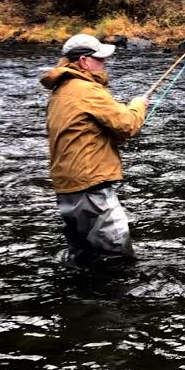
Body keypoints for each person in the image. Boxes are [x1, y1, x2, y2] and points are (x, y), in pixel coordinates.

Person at [40, 33, 148, 268]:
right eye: (99, 59)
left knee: (85, 258)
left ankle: (85, 301)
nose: (104, 63)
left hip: (67, 186)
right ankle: (114, 302)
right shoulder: (86, 90)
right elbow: (128, 125)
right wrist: (138, 105)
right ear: (84, 62)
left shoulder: (61, 91)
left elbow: (83, 132)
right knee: (116, 257)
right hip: (91, 184)